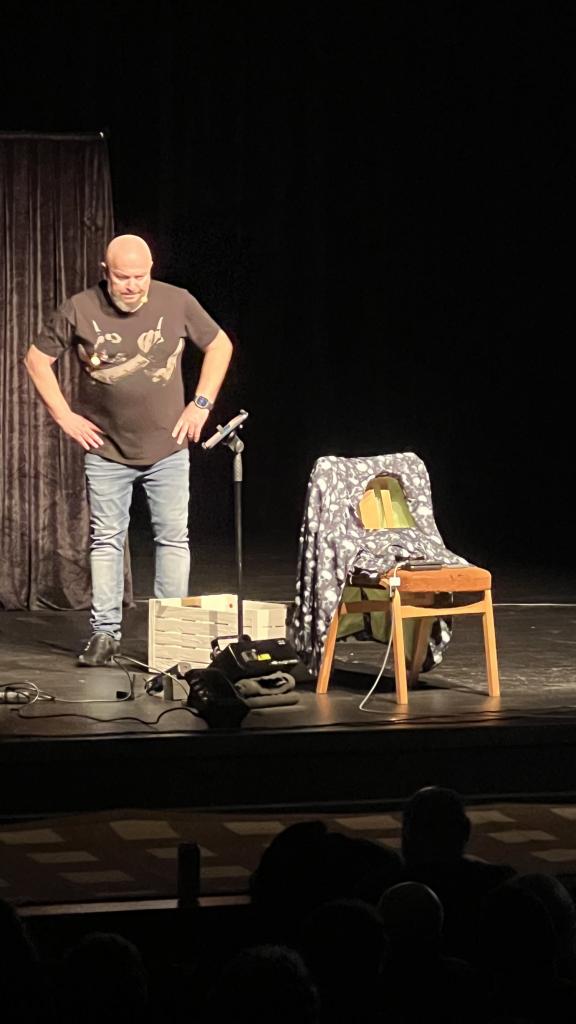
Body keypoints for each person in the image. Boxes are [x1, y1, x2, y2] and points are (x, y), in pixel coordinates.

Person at [24, 234, 233, 666]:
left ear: (151, 270)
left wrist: (201, 404)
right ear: (106, 272)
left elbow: (219, 345)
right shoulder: (80, 307)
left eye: (140, 276)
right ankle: (105, 634)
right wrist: (64, 416)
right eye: (123, 277)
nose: (133, 286)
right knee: (106, 540)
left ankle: (169, 634)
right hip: (107, 450)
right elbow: (36, 360)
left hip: (168, 448)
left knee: (173, 539)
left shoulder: (177, 301)